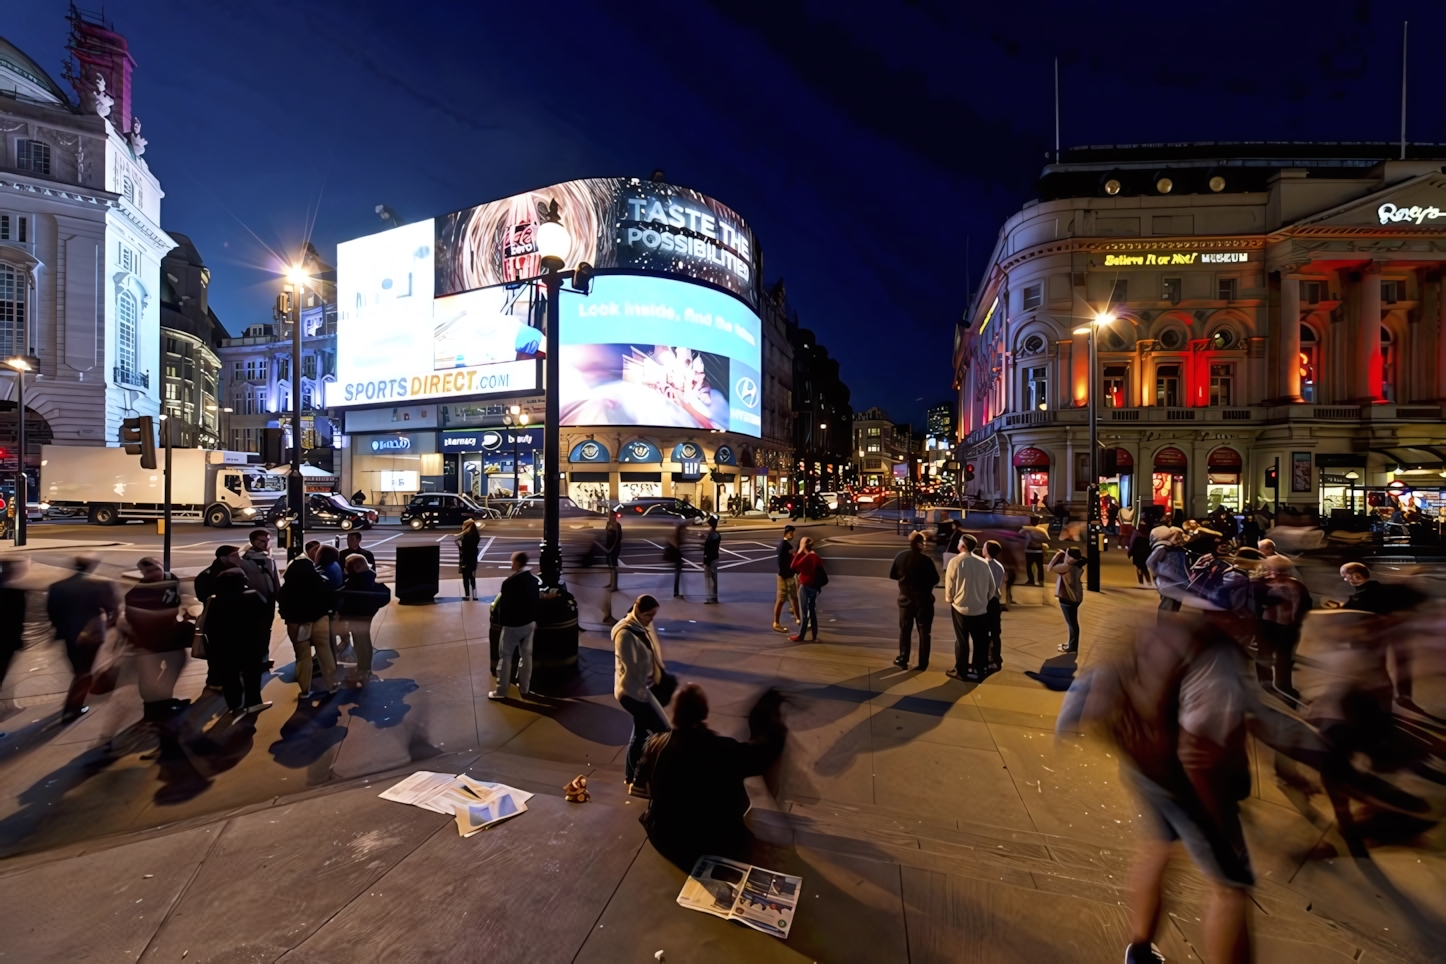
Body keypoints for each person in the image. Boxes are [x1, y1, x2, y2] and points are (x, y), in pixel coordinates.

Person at [633, 684, 787, 869]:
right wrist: (768, 719)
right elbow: (762, 755)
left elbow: (641, 784)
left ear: (674, 713)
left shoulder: (655, 744)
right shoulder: (724, 749)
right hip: (715, 843)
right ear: (704, 712)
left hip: (666, 840)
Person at [46, 556, 120, 723]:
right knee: (84, 671)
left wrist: (60, 629)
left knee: (78, 668)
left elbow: (51, 613)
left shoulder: (57, 587)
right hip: (90, 634)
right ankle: (72, 709)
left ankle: (75, 700)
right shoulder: (100, 585)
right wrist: (110, 626)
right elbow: (112, 608)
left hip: (68, 634)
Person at [122, 557, 193, 722]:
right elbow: (133, 620)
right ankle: (152, 708)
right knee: (149, 675)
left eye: (155, 568)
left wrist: (185, 613)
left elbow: (177, 599)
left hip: (171, 634)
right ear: (142, 573)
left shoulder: (171, 579)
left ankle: (164, 700)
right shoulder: (136, 594)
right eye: (147, 571)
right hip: (149, 639)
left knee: (175, 664)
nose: (153, 573)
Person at [613, 594, 670, 793]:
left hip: (639, 690)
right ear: (637, 611)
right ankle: (639, 780)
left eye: (654, 615)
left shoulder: (639, 626)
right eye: (648, 615)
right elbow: (631, 670)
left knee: (640, 731)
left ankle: (632, 776)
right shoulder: (626, 634)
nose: (651, 619)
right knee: (662, 731)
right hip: (633, 693)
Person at [204, 569, 273, 716]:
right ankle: (252, 703)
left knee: (229, 677)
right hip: (250, 645)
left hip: (224, 647)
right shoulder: (253, 597)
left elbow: (209, 627)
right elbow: (264, 622)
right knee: (252, 676)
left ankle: (234, 705)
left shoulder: (214, 601)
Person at [277, 554, 338, 696]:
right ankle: (332, 685)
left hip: (296, 624)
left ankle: (305, 690)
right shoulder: (321, 581)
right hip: (319, 620)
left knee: (302, 656)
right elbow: (331, 599)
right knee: (325, 653)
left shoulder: (287, 588)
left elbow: (283, 606)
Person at [1256, 556, 1311, 699]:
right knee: (1280, 656)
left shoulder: (1262, 583)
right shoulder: (1296, 585)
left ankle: (1271, 684)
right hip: (1282, 625)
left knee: (1273, 655)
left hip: (1274, 624)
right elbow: (1306, 605)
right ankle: (1278, 685)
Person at [942, 533, 992, 682]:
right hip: (980, 608)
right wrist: (984, 601)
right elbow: (992, 587)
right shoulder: (983, 562)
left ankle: (961, 670)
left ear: (962, 546)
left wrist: (949, 599)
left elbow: (949, 584)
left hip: (960, 608)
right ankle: (979, 670)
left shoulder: (955, 561)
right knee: (979, 641)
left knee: (962, 641)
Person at [489, 552, 539, 699]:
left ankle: (501, 691)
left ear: (517, 563)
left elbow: (504, 608)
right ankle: (525, 688)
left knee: (506, 656)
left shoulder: (509, 583)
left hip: (513, 625)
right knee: (526, 655)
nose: (511, 564)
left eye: (512, 561)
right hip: (529, 623)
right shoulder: (533, 580)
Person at [337, 555, 390, 686]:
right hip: (367, 613)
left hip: (356, 614)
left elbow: (344, 598)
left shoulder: (353, 582)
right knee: (364, 639)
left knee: (360, 641)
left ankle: (363, 669)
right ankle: (365, 669)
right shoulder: (369, 579)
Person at [889, 531, 939, 670]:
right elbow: (935, 579)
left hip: (905, 599)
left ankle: (903, 658)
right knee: (924, 632)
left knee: (905, 630)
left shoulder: (901, 556)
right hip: (923, 600)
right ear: (919, 544)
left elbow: (893, 575)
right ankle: (923, 662)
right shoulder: (926, 561)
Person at [1146, 527, 1191, 612]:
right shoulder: (1163, 548)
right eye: (1177, 537)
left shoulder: (1178, 549)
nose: (1180, 539)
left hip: (1177, 582)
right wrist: (1156, 575)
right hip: (1168, 583)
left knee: (1174, 605)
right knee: (1168, 606)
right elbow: (1150, 562)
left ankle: (1169, 623)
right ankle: (1164, 624)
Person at [1050, 547, 1085, 654]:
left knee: (1072, 624)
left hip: (1068, 598)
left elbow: (1051, 567)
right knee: (1072, 623)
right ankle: (1071, 644)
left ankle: (1072, 647)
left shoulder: (1066, 567)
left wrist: (1058, 555)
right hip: (1075, 597)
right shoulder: (1077, 564)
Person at [789, 536, 823, 643]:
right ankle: (814, 635)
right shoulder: (816, 557)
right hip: (815, 587)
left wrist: (799, 551)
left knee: (804, 612)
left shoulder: (807, 557)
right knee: (812, 611)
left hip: (805, 586)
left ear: (804, 546)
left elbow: (793, 566)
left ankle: (801, 635)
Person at [982, 540, 1007, 674]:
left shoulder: (983, 565)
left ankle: (986, 659)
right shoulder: (1000, 566)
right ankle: (996, 658)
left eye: (984, 547)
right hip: (995, 602)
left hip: (986, 601)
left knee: (984, 633)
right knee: (996, 632)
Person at [771, 524, 800, 634]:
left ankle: (798, 618)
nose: (792, 535)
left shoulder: (785, 545)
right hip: (785, 576)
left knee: (793, 597)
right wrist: (791, 572)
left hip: (786, 575)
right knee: (782, 599)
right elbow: (784, 563)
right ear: (786, 533)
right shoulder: (785, 546)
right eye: (791, 533)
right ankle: (776, 623)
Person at [456, 517, 481, 600]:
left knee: (466, 577)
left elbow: (465, 549)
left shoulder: (467, 536)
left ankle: (467, 594)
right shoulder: (475, 534)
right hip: (473, 558)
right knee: (472, 576)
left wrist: (459, 545)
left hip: (466, 559)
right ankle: (474, 594)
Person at [701, 516, 721, 604]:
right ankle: (714, 597)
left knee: (709, 579)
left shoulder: (712, 535)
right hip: (714, 558)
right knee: (713, 579)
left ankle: (711, 597)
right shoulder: (715, 534)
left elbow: (708, 547)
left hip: (710, 559)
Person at [603, 509, 623, 594]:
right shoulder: (609, 524)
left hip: (614, 548)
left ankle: (614, 585)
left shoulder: (617, 525)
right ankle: (611, 583)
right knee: (610, 566)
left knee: (614, 566)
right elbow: (607, 535)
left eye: (612, 515)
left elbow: (618, 538)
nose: (610, 516)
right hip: (609, 548)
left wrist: (612, 548)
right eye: (609, 515)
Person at [667, 521, 685, 598]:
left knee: (678, 573)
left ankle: (676, 591)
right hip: (677, 556)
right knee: (678, 574)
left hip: (677, 555)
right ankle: (676, 591)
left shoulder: (675, 535)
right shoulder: (678, 535)